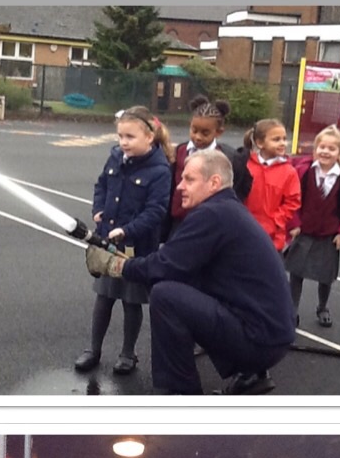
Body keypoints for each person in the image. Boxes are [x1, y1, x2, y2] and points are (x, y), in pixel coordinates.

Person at [114, 149, 297, 395]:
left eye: (189, 179)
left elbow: (165, 265)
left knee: (165, 295)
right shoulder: (228, 209)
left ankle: (179, 394)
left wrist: (118, 266)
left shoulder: (213, 214)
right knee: (179, 286)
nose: (179, 186)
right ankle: (250, 376)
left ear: (214, 183)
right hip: (271, 335)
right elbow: (178, 263)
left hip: (259, 340)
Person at [74, 106, 173, 376]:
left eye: (130, 137)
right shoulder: (116, 157)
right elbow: (102, 185)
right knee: (104, 298)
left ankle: (128, 353)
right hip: (109, 241)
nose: (123, 142)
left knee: (131, 301)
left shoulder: (160, 169)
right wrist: (98, 208)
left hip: (137, 248)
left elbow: (156, 212)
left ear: (149, 138)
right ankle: (93, 349)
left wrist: (127, 230)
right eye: (120, 136)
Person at [285, 125, 340, 329]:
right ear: (315, 149)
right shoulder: (302, 171)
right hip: (303, 232)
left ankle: (322, 307)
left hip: (330, 235)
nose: (325, 151)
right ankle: (291, 310)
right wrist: (294, 223)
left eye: (331, 148)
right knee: (296, 273)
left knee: (326, 276)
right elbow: (289, 197)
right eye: (321, 147)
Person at [165, 95, 242, 237]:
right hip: (179, 220)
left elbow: (241, 187)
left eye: (205, 133)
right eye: (194, 130)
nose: (198, 137)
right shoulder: (180, 151)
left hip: (210, 222)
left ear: (218, 132)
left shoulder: (227, 157)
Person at [236, 118, 301, 252]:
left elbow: (293, 201)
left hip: (272, 239)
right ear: (260, 143)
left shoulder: (289, 172)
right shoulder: (245, 165)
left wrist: (275, 221)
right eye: (276, 139)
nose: (282, 143)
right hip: (242, 231)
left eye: (284, 139)